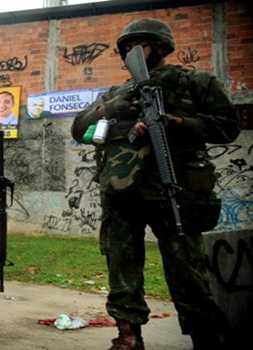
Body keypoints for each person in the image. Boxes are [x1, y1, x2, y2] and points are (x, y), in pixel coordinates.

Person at [71, 18, 239, 350]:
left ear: (160, 47)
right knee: (121, 269)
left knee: (187, 272)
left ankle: (206, 338)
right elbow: (80, 129)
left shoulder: (195, 82)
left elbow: (227, 126)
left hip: (174, 190)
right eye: (124, 50)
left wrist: (173, 122)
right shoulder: (118, 91)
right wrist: (113, 108)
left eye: (137, 46)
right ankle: (128, 337)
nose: (128, 55)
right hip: (121, 193)